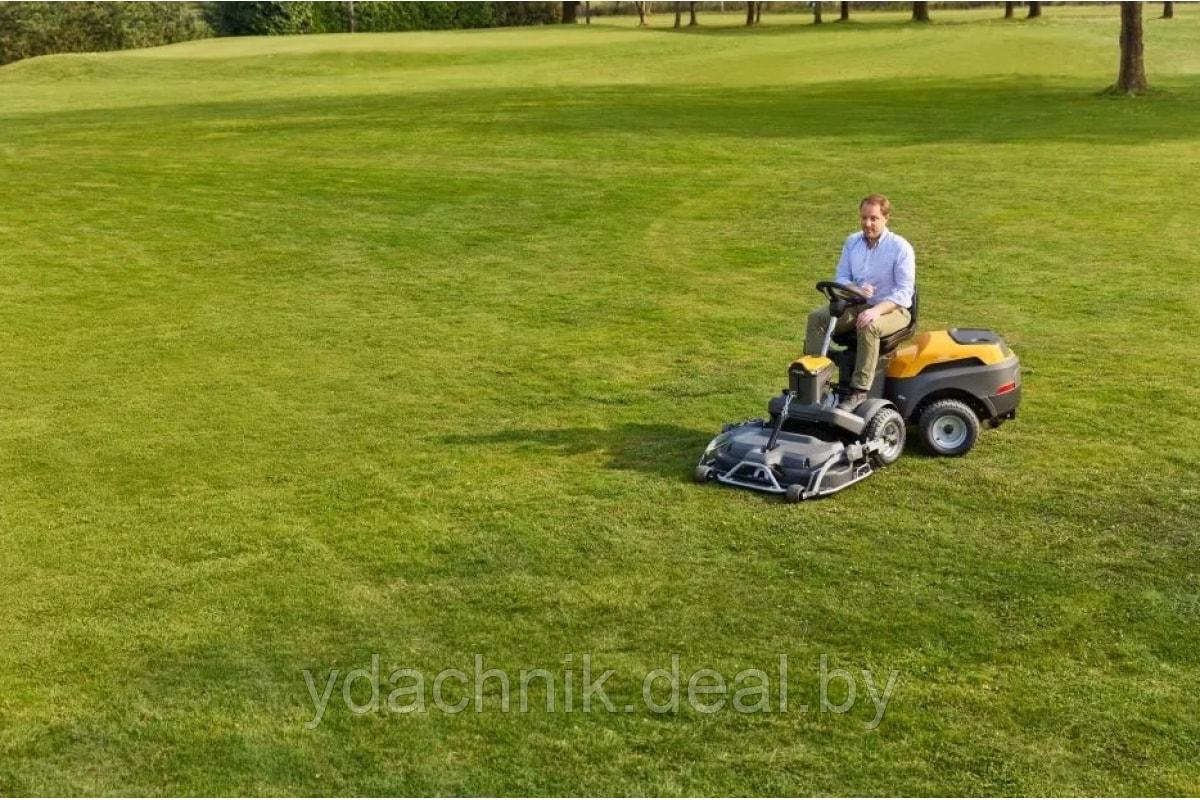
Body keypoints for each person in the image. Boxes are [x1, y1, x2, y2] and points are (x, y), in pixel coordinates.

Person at [804, 194, 915, 410]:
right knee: (817, 318)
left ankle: (859, 391)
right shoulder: (852, 242)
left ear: (886, 218)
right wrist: (856, 289)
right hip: (857, 302)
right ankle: (813, 380)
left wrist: (877, 311)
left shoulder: (900, 248)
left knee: (868, 324)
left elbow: (904, 293)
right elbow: (842, 277)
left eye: (873, 218)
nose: (867, 224)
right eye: (864, 218)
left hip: (894, 309)